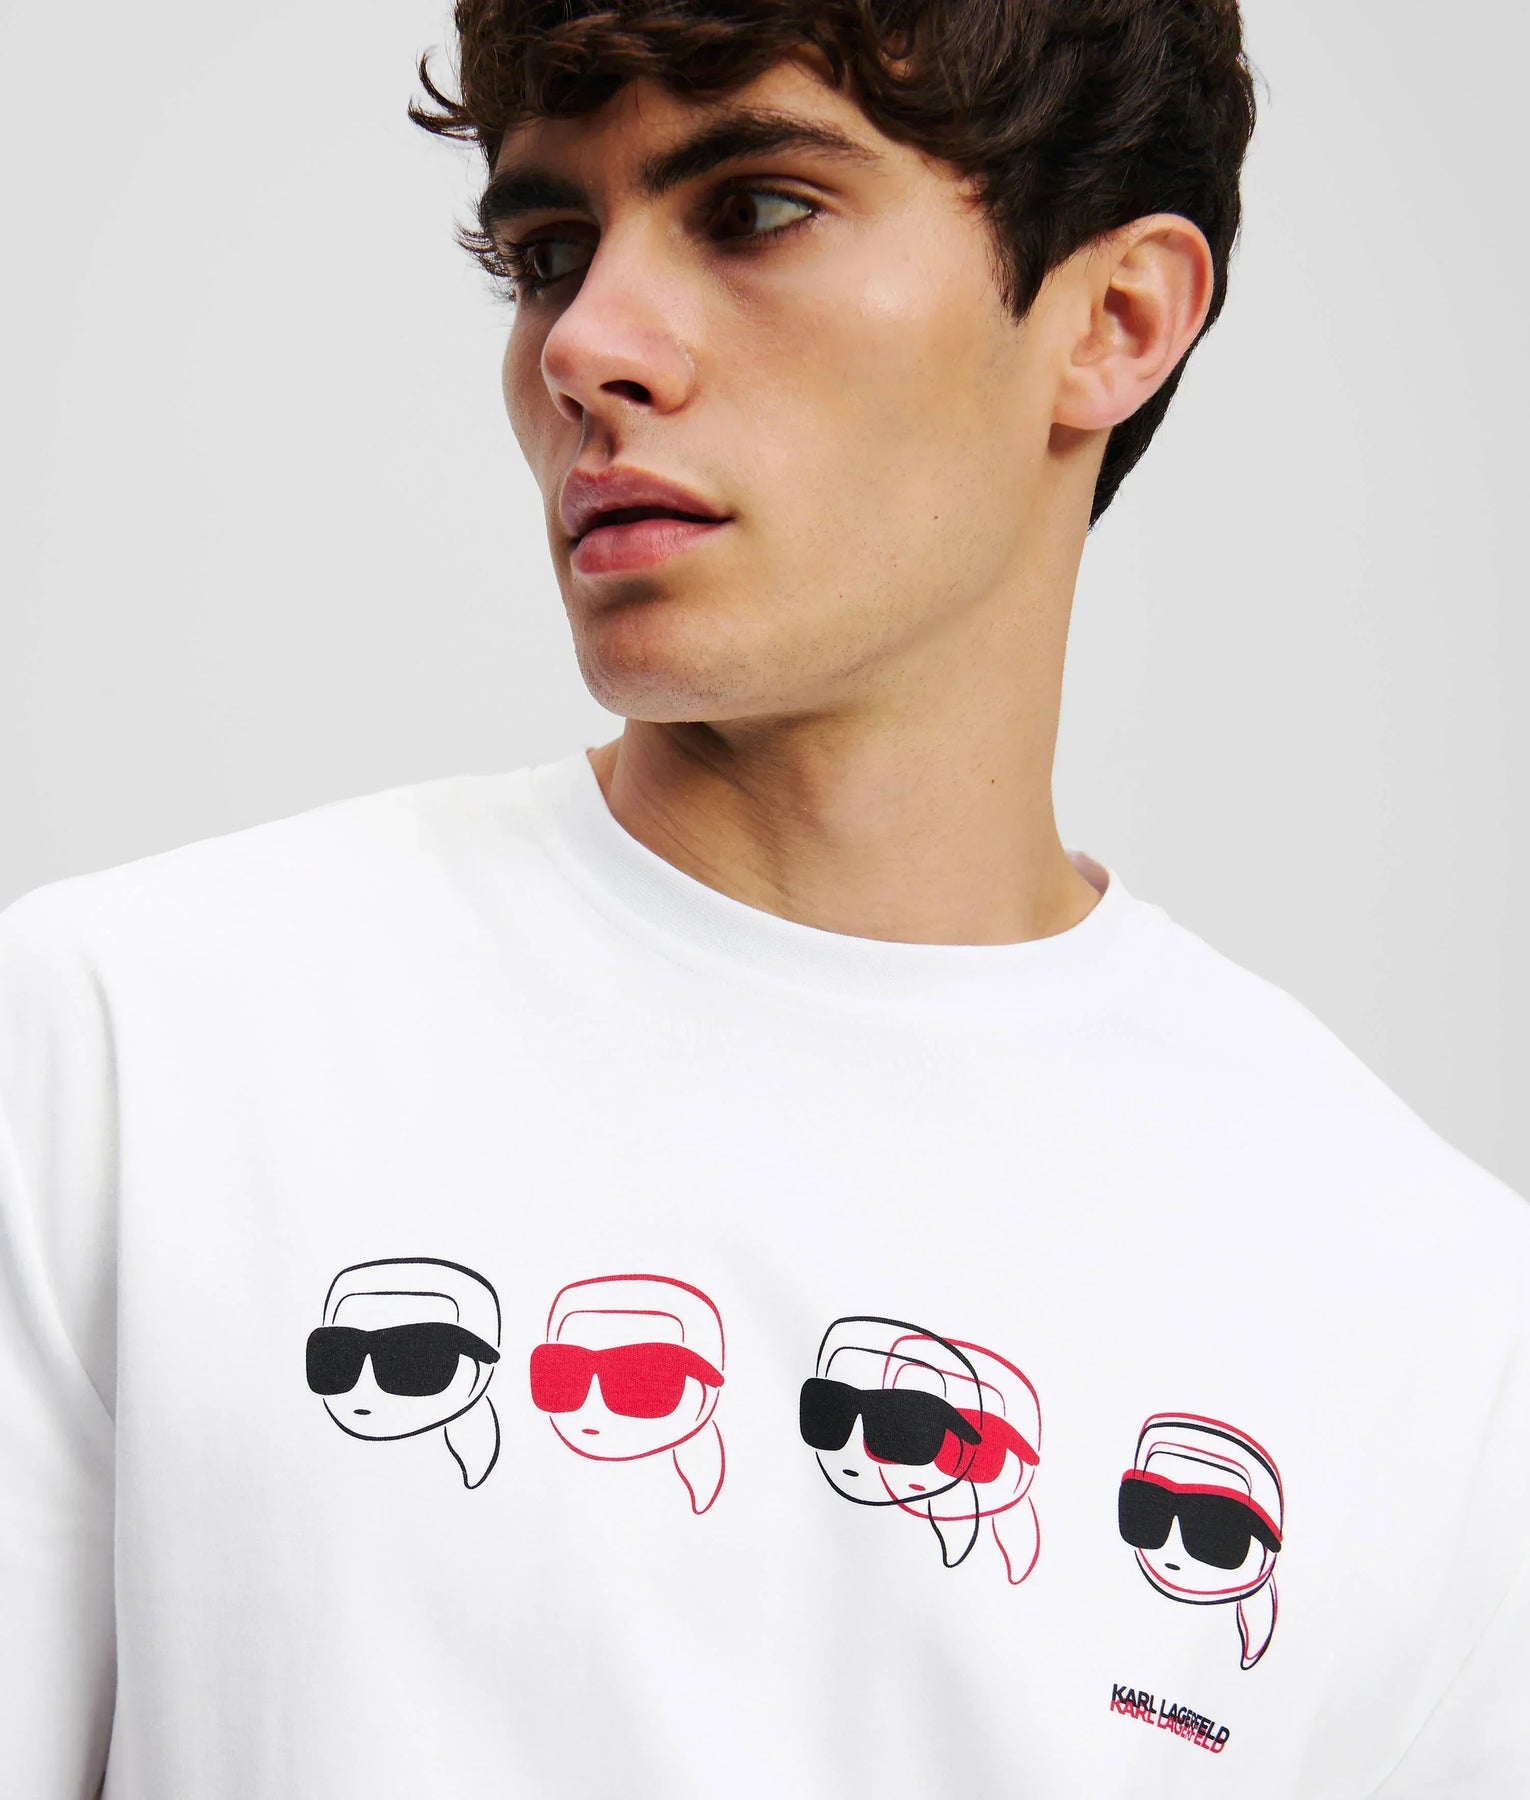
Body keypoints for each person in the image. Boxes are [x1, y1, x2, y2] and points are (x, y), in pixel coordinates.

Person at [2, 1, 1525, 1795]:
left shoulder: (1429, 1325)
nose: (587, 346)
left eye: (754, 210)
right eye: (547, 252)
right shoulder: (125, 1055)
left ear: (1112, 321)